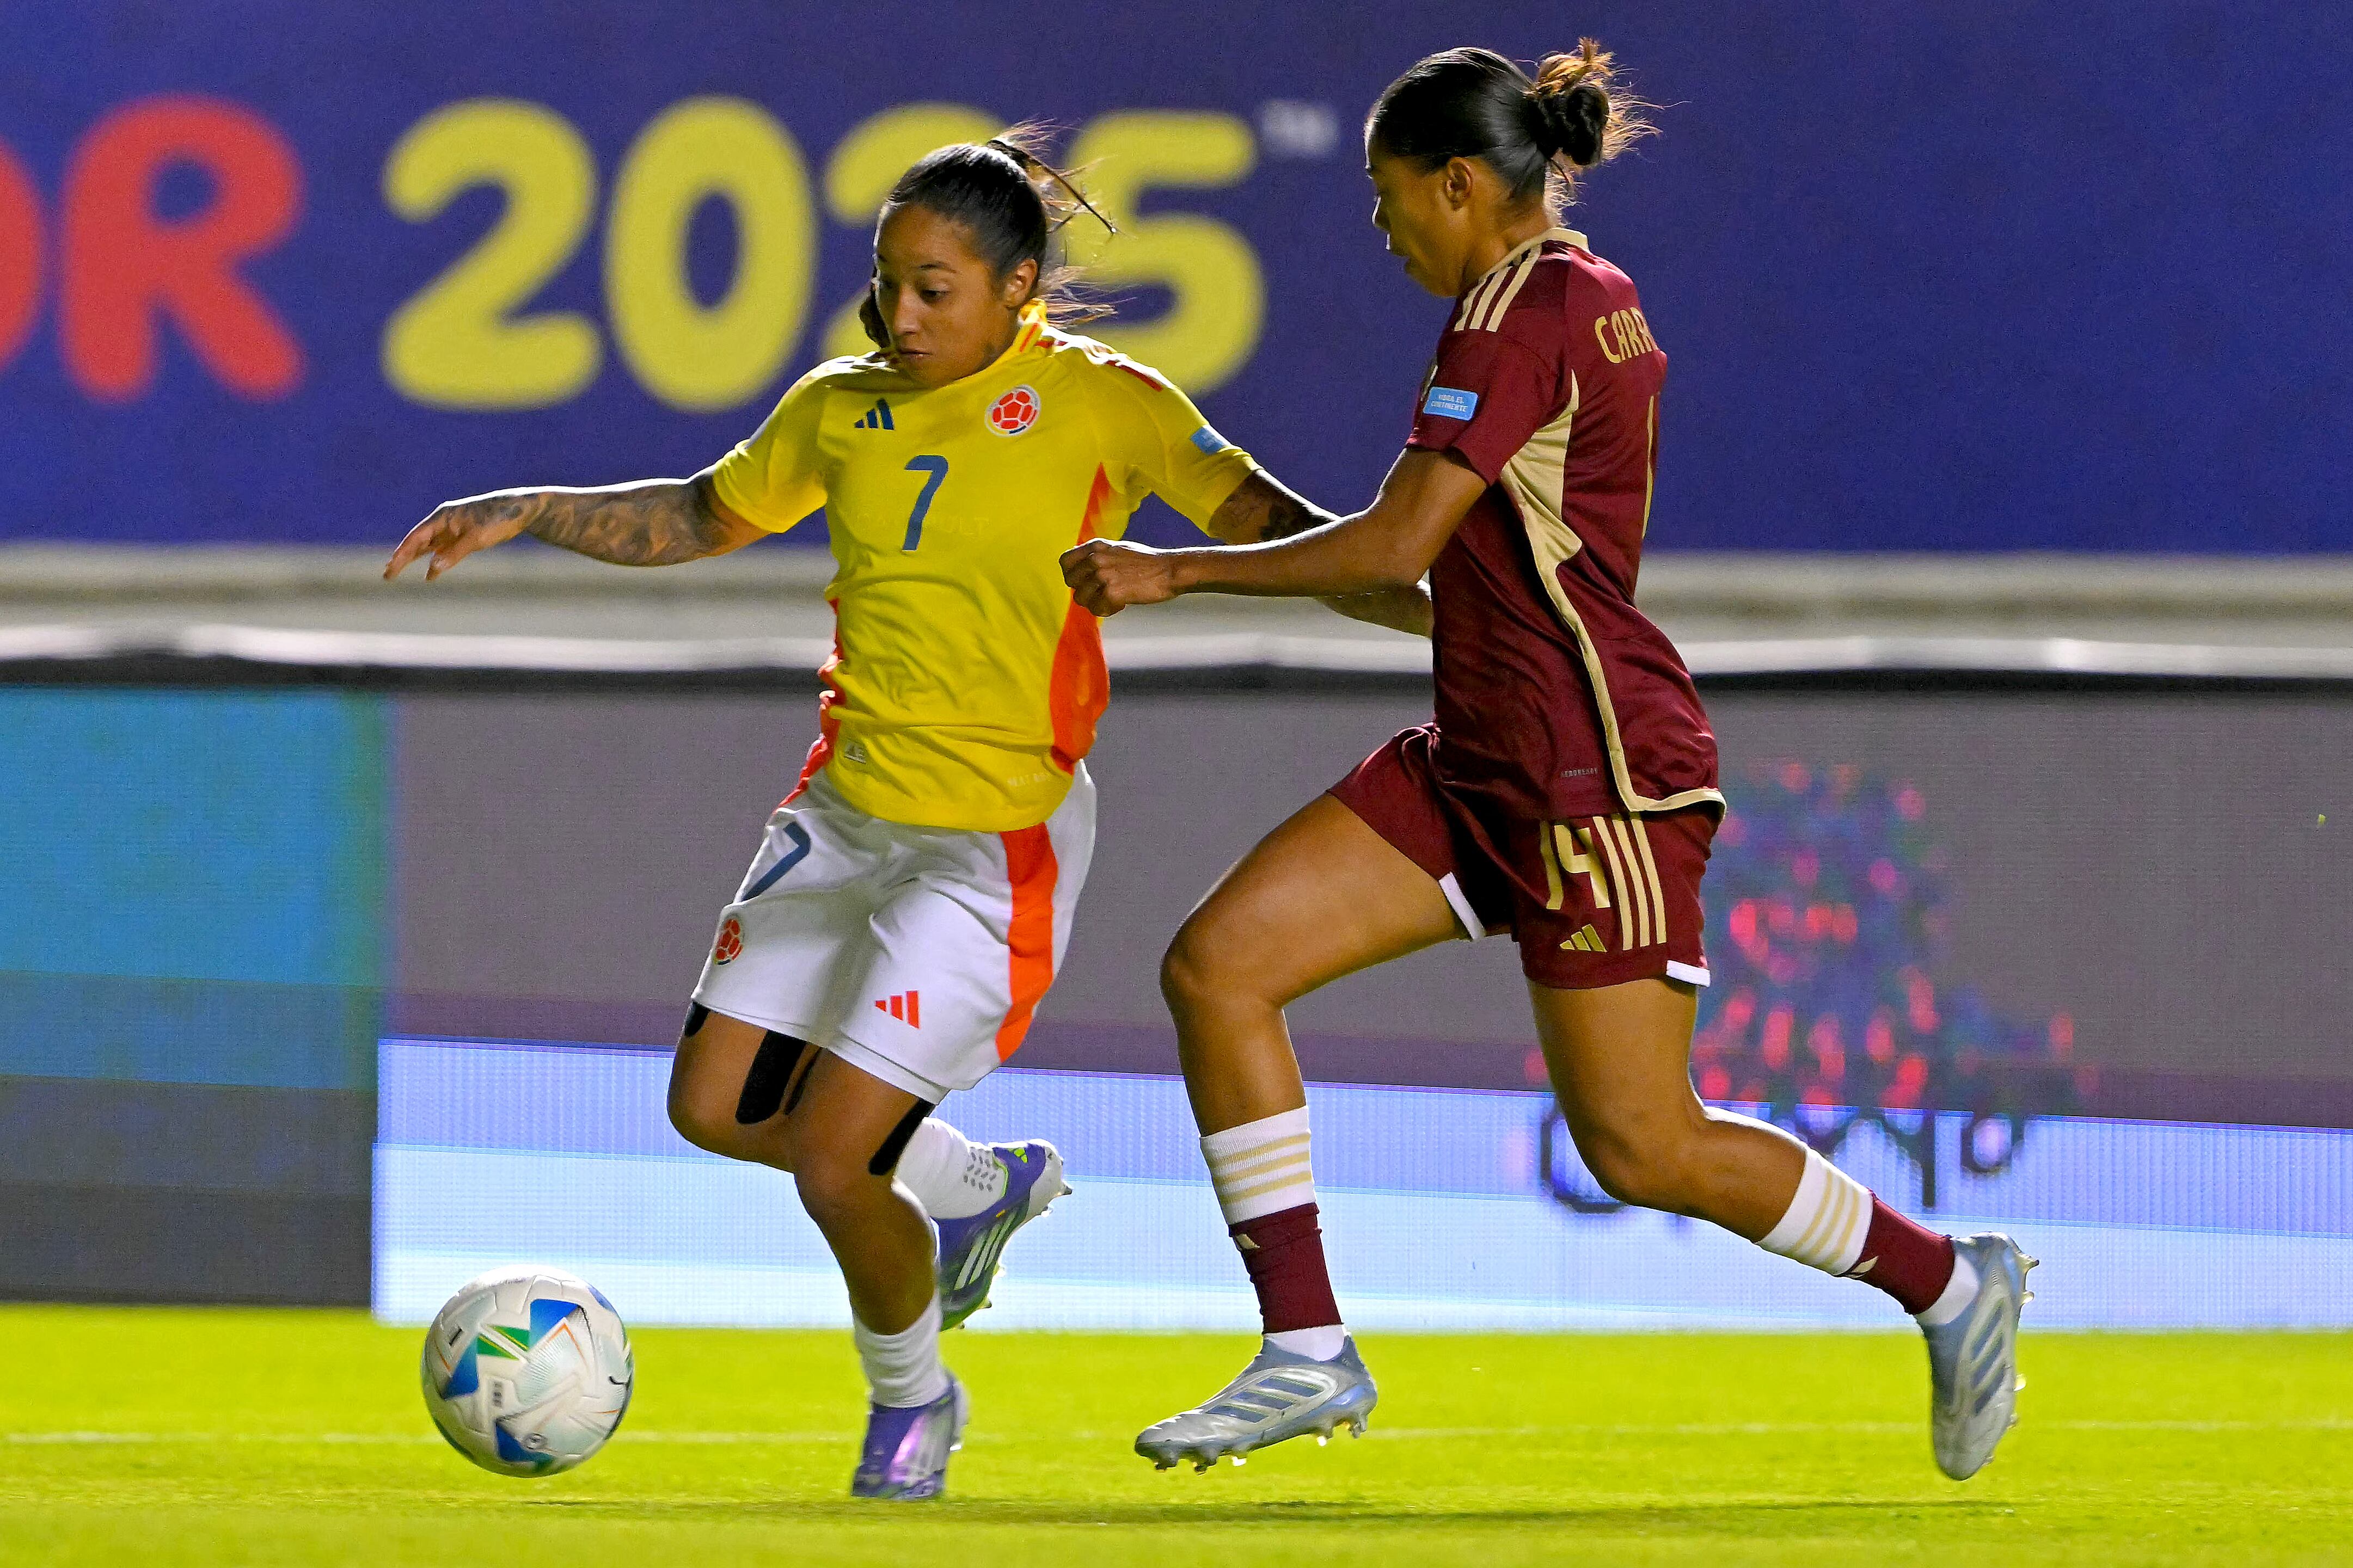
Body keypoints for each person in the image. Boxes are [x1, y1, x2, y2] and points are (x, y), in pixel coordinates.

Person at [384, 132, 1422, 1499]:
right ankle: (974, 1186)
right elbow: (697, 516)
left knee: (833, 1158)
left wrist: (1464, 620)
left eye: (935, 288)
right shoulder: (839, 406)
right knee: (711, 1108)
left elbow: (1285, 533)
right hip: (842, 814)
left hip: (987, 845)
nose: (903, 313)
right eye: (887, 283)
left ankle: (912, 1398)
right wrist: (523, 507)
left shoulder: (1106, 404)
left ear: (1017, 287)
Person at [1063, 44, 2035, 1483]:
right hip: (1484, 754)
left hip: (1594, 774)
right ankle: (1307, 1349)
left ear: (1458, 184)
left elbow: (1399, 544)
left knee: (1642, 1146)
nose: (1381, 227)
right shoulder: (1581, 294)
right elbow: (1466, 563)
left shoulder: (1516, 318)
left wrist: (1175, 572)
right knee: (1219, 968)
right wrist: (1422, 609)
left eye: (1388, 195)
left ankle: (1949, 1281)